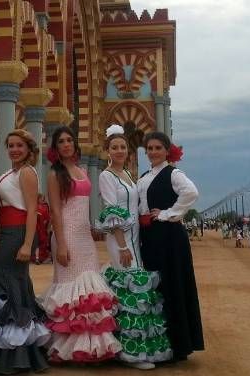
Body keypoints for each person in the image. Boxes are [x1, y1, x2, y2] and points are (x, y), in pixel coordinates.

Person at [42, 126, 120, 363]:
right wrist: (62, 244)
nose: (66, 144)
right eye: (61, 142)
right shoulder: (55, 174)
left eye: (69, 140)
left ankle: (93, 347)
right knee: (71, 288)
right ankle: (68, 349)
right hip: (66, 235)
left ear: (75, 145)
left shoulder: (82, 170)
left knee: (89, 289)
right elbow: (55, 211)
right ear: (55, 149)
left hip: (84, 235)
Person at [97, 126, 170, 369]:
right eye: (114, 147)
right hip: (121, 239)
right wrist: (122, 245)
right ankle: (130, 352)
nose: (119, 151)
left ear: (128, 151)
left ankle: (132, 346)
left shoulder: (127, 173)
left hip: (134, 236)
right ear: (107, 150)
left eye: (123, 147)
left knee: (134, 285)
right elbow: (110, 211)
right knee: (131, 286)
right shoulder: (107, 176)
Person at [0, 129, 50, 373]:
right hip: (8, 231)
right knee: (12, 283)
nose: (14, 149)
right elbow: (0, 204)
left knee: (4, 281)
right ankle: (17, 352)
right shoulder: (10, 173)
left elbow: (32, 209)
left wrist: (27, 243)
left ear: (28, 150)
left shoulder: (26, 172)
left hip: (19, 233)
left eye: (19, 146)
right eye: (10, 145)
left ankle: (15, 353)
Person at [138, 131, 204, 363]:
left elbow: (191, 192)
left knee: (173, 284)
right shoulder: (145, 175)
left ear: (167, 150)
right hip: (151, 236)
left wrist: (168, 213)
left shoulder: (173, 173)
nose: (153, 152)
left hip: (169, 237)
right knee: (157, 286)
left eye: (158, 148)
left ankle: (178, 345)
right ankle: (161, 342)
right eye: (150, 148)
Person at [34, 194, 51, 264]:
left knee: (38, 244)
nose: (43, 200)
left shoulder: (36, 207)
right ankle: (39, 258)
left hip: (38, 228)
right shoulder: (42, 208)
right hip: (40, 228)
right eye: (41, 199)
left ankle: (37, 258)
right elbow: (47, 219)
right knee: (41, 243)